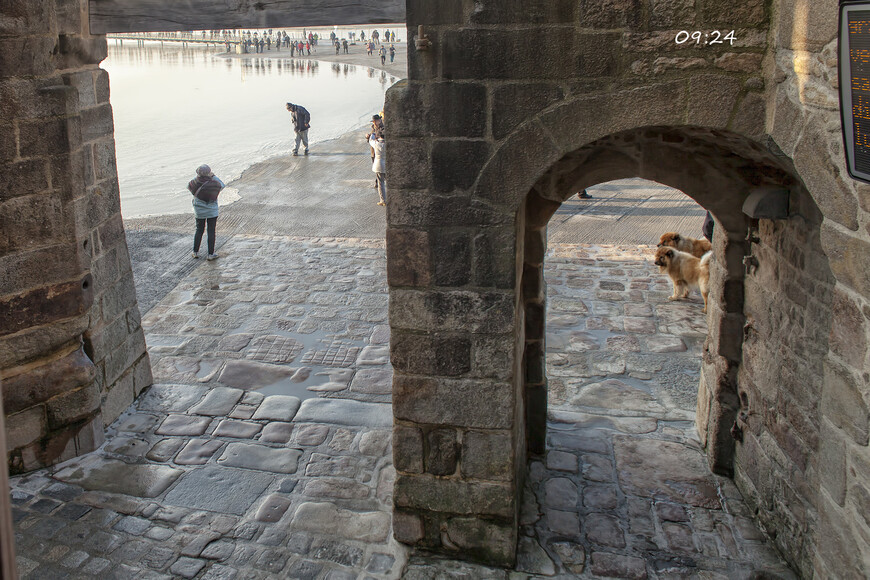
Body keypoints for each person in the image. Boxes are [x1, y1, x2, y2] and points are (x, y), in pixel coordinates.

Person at [187, 164, 224, 260]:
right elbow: (222, 185)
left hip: (199, 211)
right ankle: (210, 254)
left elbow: (188, 186)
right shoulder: (214, 183)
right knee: (211, 231)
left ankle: (195, 252)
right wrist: (213, 176)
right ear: (209, 172)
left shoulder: (194, 182)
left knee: (199, 230)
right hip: (212, 211)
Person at [368, 129, 386, 206]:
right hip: (387, 164)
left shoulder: (376, 143)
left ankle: (383, 200)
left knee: (381, 182)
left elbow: (370, 140)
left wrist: (373, 134)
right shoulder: (388, 144)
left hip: (378, 165)